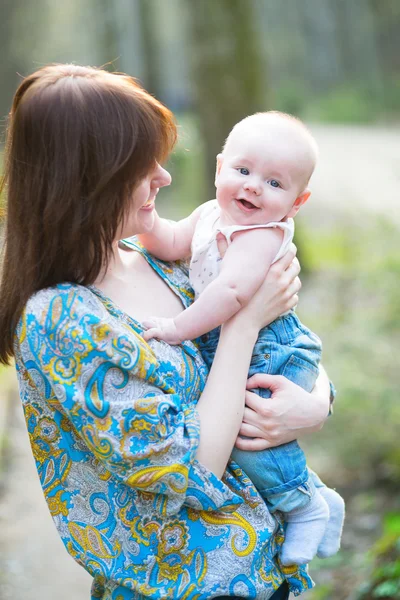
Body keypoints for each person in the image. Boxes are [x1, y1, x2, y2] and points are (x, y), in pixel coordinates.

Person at [0, 64, 333, 600]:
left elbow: (280, 349)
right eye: (142, 164)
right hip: (182, 586)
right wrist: (243, 323)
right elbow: (194, 468)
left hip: (263, 572)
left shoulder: (152, 262)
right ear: (90, 177)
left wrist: (316, 404)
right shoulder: (60, 319)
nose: (165, 176)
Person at [138, 111, 345, 566]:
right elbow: (174, 242)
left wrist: (176, 328)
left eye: (275, 183)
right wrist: (145, 224)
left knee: (250, 436)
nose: (253, 186)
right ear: (219, 169)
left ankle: (304, 503)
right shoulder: (212, 214)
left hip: (275, 343)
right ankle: (314, 495)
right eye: (244, 170)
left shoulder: (260, 236)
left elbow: (231, 293)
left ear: (296, 202)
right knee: (247, 431)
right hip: (245, 338)